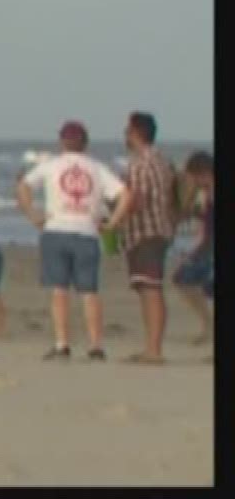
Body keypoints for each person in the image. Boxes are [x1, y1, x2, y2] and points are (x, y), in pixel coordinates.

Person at [14, 120, 124, 361]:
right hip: (86, 231)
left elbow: (23, 186)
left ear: (62, 142)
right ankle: (95, 345)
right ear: (85, 142)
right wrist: (113, 222)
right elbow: (124, 194)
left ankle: (62, 343)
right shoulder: (96, 168)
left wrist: (33, 214)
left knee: (59, 290)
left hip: (57, 230)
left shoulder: (51, 165)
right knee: (89, 292)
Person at [103, 111, 178, 365]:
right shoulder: (162, 161)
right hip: (159, 229)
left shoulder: (140, 163)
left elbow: (135, 200)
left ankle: (154, 350)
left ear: (136, 133)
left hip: (146, 231)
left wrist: (112, 215)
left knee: (150, 288)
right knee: (148, 288)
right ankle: (151, 346)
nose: (124, 135)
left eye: (127, 130)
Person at [172, 152, 214, 347]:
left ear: (203, 173)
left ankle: (209, 326)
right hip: (206, 247)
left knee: (197, 283)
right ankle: (208, 324)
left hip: (209, 248)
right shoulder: (205, 193)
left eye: (194, 177)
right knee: (182, 279)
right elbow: (192, 217)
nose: (192, 181)